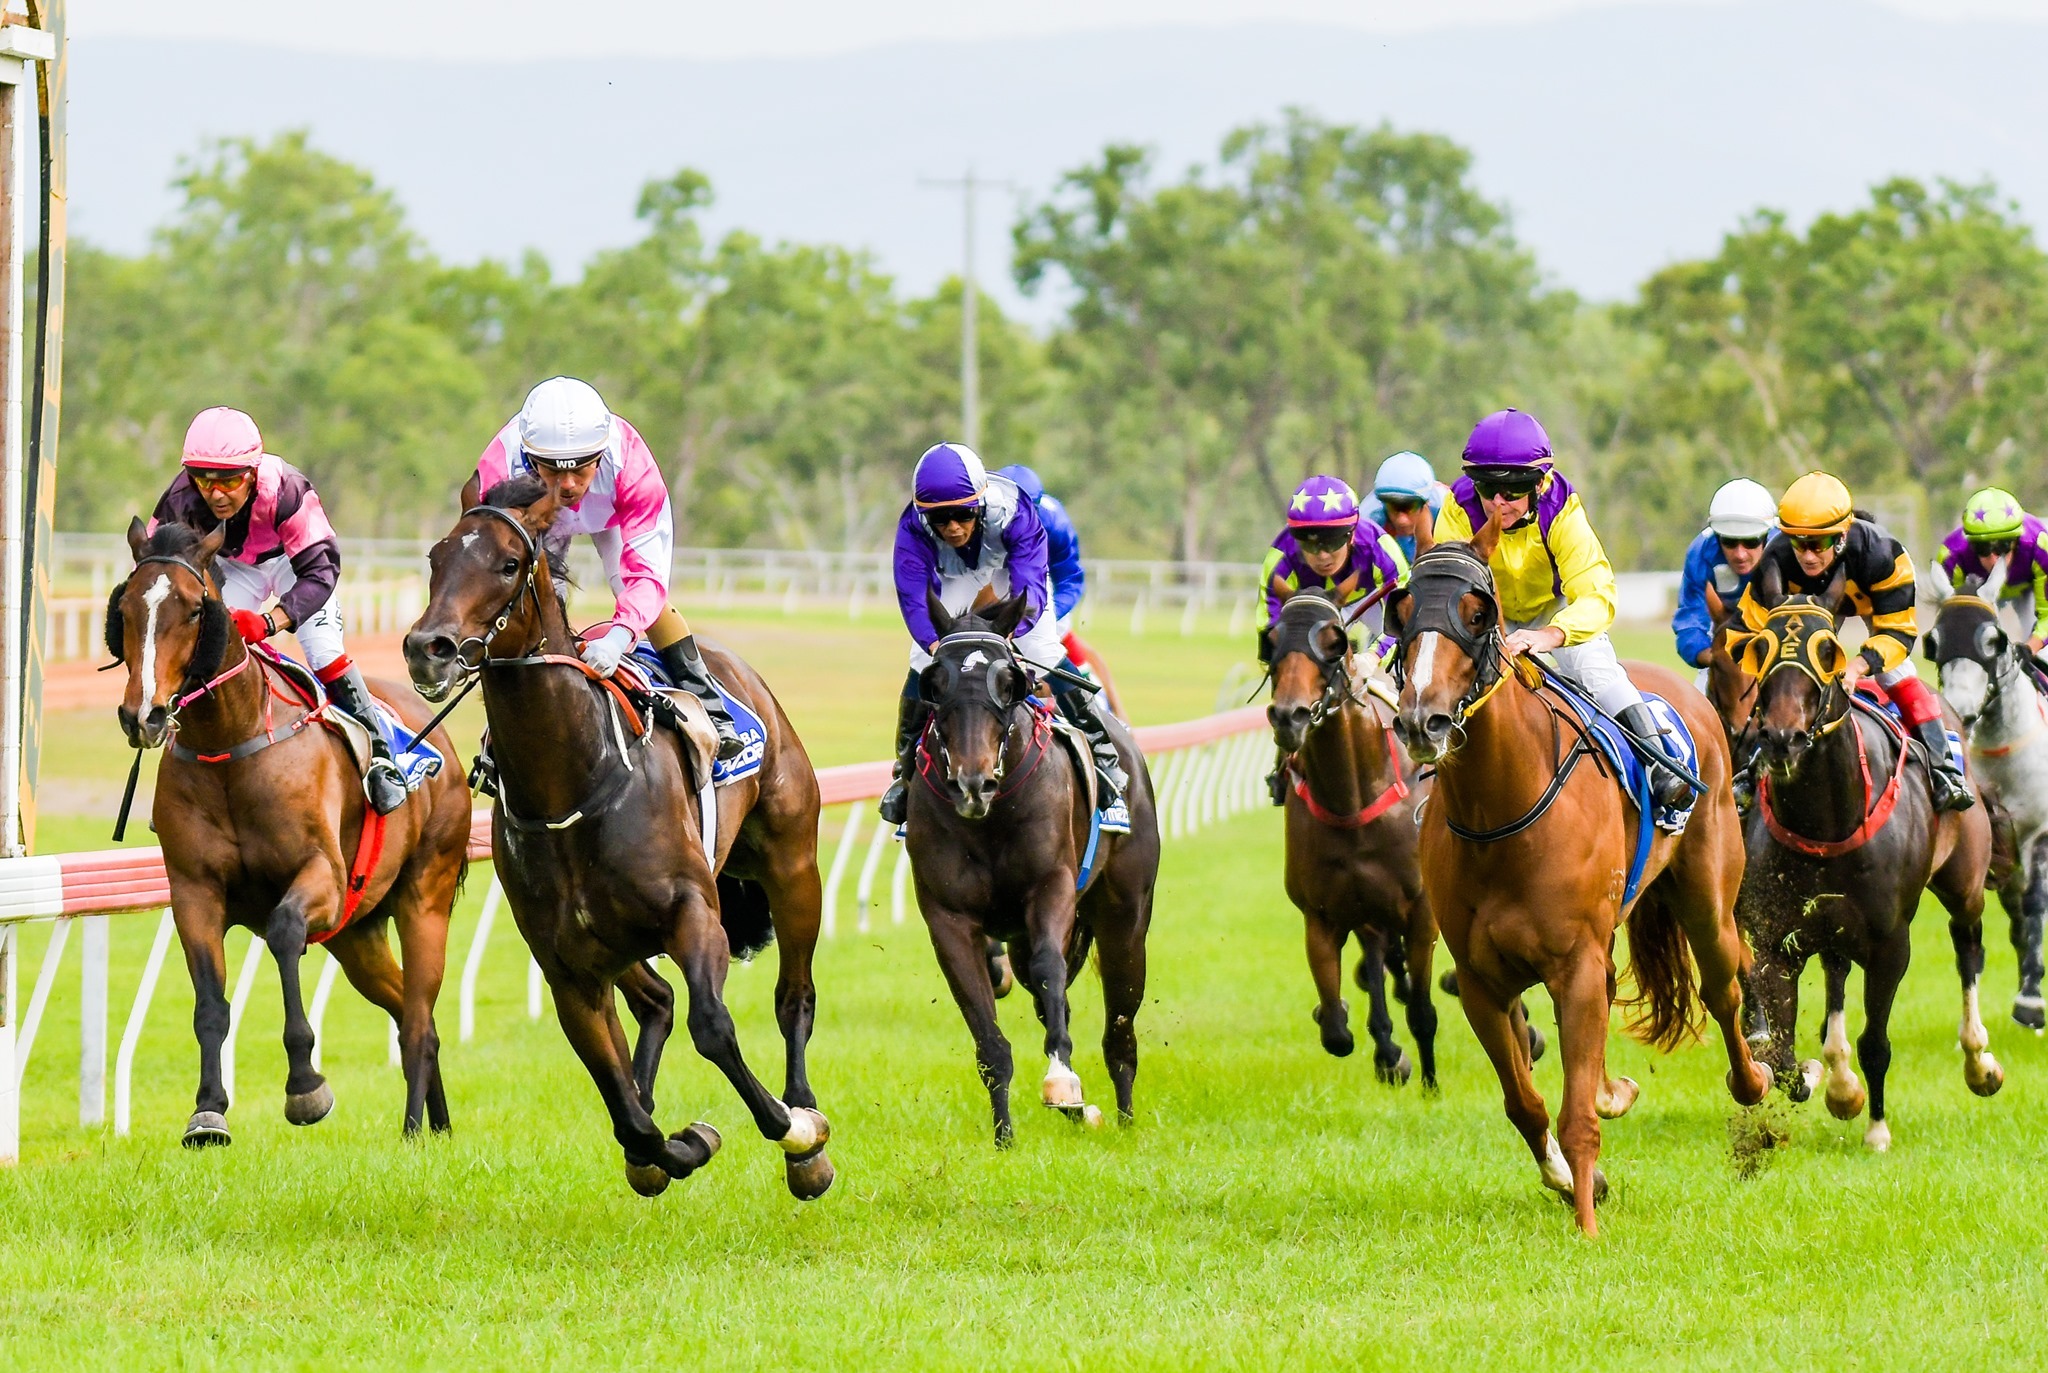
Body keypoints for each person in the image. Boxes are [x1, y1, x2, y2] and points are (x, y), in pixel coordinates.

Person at [149, 406, 408, 814]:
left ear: (252, 472)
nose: (216, 494)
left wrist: (270, 621)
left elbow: (321, 572)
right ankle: (185, 762)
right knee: (205, 652)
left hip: (293, 563)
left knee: (322, 650)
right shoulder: (181, 497)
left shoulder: (287, 489)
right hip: (234, 568)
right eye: (204, 480)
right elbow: (155, 567)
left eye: (230, 480)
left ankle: (379, 757)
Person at [466, 376, 740, 759]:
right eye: (552, 470)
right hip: (539, 517)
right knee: (533, 608)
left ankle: (707, 701)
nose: (568, 485)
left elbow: (647, 578)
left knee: (644, 600)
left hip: (613, 514)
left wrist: (618, 638)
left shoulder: (632, 465)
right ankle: (502, 731)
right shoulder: (500, 470)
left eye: (581, 469)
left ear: (601, 454)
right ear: (529, 457)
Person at [1433, 408, 1694, 809]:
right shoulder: (1457, 506)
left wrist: (1549, 635)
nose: (1498, 504)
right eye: (1487, 488)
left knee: (1596, 669)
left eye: (1514, 488)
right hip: (1486, 615)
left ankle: (1661, 764)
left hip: (1553, 613)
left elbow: (1596, 595)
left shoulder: (1562, 510)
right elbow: (1446, 588)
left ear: (1540, 483)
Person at [881, 443, 1129, 831]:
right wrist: (936, 645)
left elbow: (1029, 581)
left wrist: (1010, 636)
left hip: (1009, 574)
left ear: (979, 503)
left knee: (1045, 651)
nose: (952, 528)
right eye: (940, 519)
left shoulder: (1015, 511)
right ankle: (905, 775)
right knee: (921, 662)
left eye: (962, 515)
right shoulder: (912, 528)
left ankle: (1105, 761)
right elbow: (913, 597)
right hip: (953, 580)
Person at [1736, 471, 1972, 813]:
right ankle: (1753, 768)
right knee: (1788, 677)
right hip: (1815, 611)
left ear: (1842, 536)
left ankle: (1945, 769)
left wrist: (1857, 667)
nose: (1807, 556)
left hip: (1875, 600)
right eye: (1798, 543)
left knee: (1896, 675)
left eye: (1818, 544)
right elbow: (1748, 629)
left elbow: (1899, 634)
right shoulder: (1776, 558)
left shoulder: (1885, 556)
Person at [1257, 475, 1407, 804]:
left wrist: (1374, 656)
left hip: (1371, 603)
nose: (1322, 555)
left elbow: (1406, 620)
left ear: (1352, 533)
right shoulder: (1278, 561)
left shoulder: (1380, 549)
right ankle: (1283, 764)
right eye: (1310, 545)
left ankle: (1419, 747)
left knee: (1408, 668)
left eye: (1334, 541)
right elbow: (1268, 632)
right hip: (1309, 607)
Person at [1672, 478, 1778, 675]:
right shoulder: (1701, 552)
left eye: (1751, 542)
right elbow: (1691, 620)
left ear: (1766, 535)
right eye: (1729, 542)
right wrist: (1714, 658)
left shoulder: (1787, 550)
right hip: (1724, 648)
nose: (1740, 554)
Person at [1937, 487, 2048, 655]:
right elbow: (1955, 620)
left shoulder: (2040, 546)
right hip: (1979, 592)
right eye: (1982, 548)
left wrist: (2029, 649)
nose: (1994, 560)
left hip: (2027, 589)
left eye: (2003, 547)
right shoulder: (1951, 557)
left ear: (2016, 541)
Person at [1362, 451, 1448, 564]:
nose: (1402, 520)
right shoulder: (1368, 519)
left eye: (1409, 507)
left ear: (1426, 502)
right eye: (1393, 507)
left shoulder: (1447, 507)